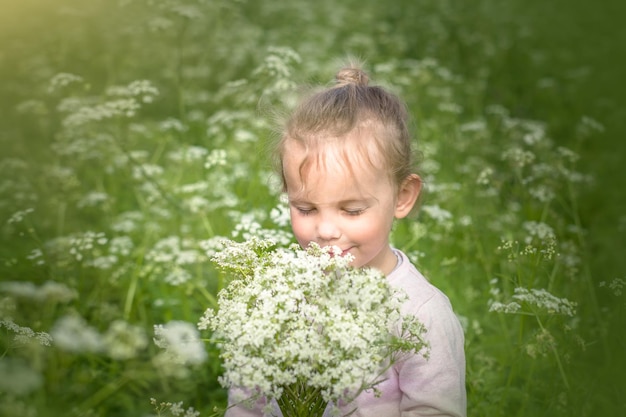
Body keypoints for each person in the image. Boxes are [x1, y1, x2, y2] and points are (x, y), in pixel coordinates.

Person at [226, 61, 466, 417]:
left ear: (402, 196)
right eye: (305, 208)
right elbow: (246, 403)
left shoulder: (420, 312)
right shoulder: (278, 300)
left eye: (352, 210)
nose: (325, 230)